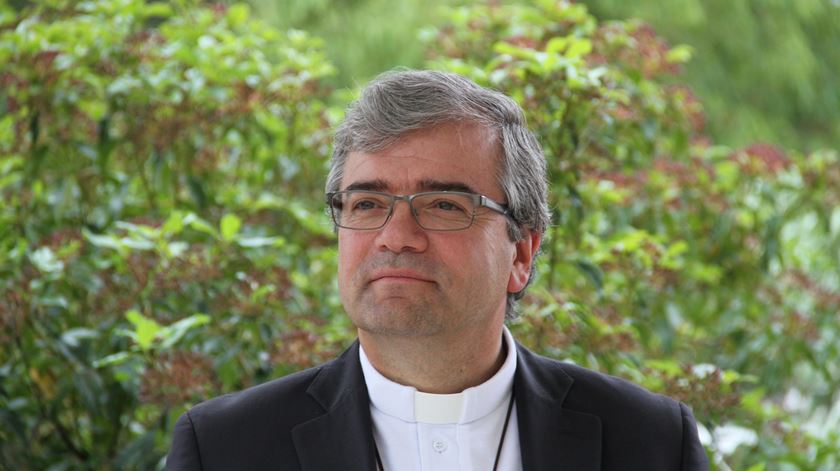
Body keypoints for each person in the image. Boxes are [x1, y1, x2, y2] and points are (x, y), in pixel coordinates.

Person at [166, 70, 709, 471]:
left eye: (445, 205)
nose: (395, 236)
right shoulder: (223, 449)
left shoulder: (652, 443)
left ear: (520, 253)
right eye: (366, 204)